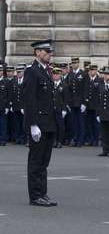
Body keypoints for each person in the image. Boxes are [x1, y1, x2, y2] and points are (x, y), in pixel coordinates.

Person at [22, 40, 58, 207]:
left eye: (50, 52)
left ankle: (42, 193)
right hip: (38, 124)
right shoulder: (32, 71)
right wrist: (32, 124)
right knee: (36, 161)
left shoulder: (46, 71)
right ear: (37, 53)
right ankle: (35, 196)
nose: (49, 54)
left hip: (48, 123)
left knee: (44, 162)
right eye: (46, 51)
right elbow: (29, 100)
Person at [51, 67, 68, 148]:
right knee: (53, 125)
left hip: (60, 108)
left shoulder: (64, 85)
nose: (55, 76)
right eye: (54, 74)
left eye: (56, 74)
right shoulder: (51, 84)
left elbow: (65, 99)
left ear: (60, 75)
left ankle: (60, 141)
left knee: (60, 126)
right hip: (52, 108)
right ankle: (54, 140)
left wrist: (64, 109)